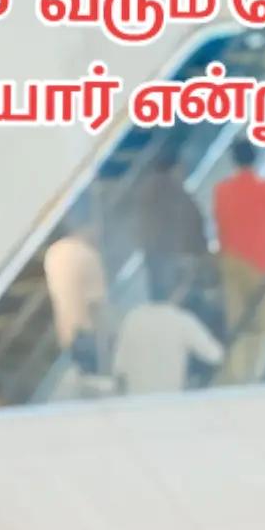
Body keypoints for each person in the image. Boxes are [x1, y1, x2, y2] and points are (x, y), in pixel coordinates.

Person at [212, 138, 265, 379]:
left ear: (233, 161)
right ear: (256, 158)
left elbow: (219, 223)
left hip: (230, 262)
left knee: (237, 324)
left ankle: (237, 376)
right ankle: (258, 374)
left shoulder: (221, 191)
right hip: (260, 264)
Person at [130, 136, 222, 333]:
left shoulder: (145, 194)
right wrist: (202, 256)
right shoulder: (175, 194)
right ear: (175, 168)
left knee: (164, 310)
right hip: (181, 264)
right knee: (191, 314)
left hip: (156, 262)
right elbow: (191, 227)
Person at [112, 258, 224, 397]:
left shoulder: (132, 318)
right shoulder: (182, 321)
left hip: (136, 406)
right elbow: (217, 356)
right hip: (170, 406)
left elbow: (119, 371)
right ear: (180, 290)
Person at [43, 209, 109, 367]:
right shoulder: (88, 255)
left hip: (67, 335)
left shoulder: (53, 253)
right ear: (91, 225)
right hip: (90, 335)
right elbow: (96, 305)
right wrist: (109, 338)